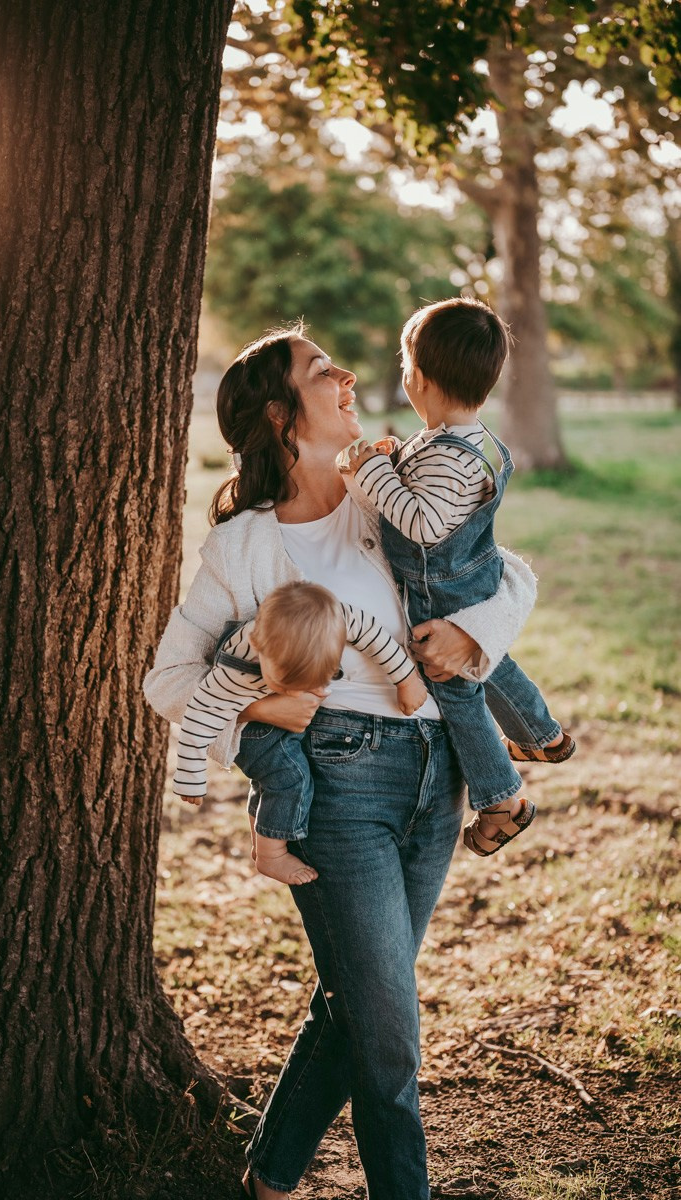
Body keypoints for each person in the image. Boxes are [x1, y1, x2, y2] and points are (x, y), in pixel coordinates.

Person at [143, 322, 537, 1200]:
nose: (349, 377)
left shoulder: (389, 494)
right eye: (323, 371)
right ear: (282, 417)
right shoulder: (243, 547)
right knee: (391, 1031)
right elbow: (168, 679)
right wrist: (260, 703)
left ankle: (272, 1175)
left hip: (440, 777)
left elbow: (513, 577)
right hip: (335, 788)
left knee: (359, 997)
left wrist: (471, 631)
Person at [349, 297, 574, 856]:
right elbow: (436, 493)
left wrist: (372, 471)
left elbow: (424, 523)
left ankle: (501, 800)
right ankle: (542, 734)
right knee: (490, 659)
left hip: (440, 591)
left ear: (417, 379)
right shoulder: (470, 442)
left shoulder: (448, 455)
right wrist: (397, 456)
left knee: (459, 692)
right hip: (472, 576)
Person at [173, 580, 426, 885]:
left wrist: (406, 678)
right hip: (255, 723)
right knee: (290, 777)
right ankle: (271, 855)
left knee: (274, 780)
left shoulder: (336, 619)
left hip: (281, 708)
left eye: (315, 682)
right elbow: (199, 716)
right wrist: (190, 776)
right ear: (259, 645)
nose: (306, 693)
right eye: (286, 686)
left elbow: (375, 637)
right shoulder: (234, 672)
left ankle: (263, 828)